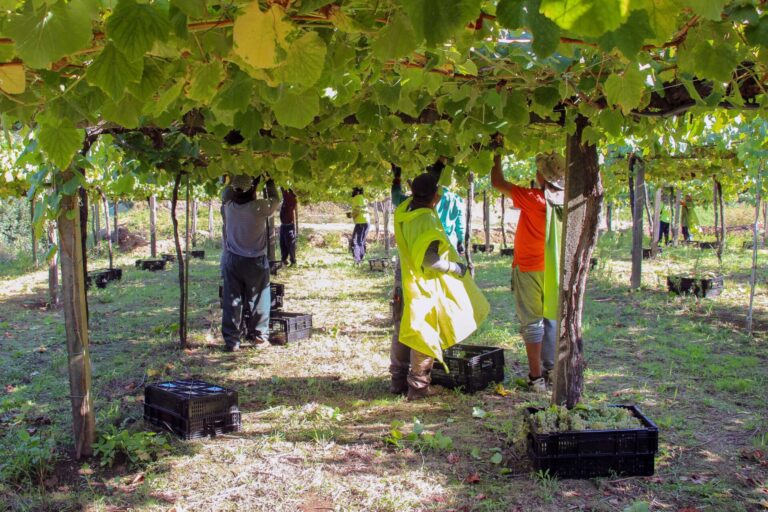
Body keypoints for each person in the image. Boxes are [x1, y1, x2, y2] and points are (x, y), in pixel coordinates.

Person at [391, 172, 489, 400]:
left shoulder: (404, 210)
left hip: (403, 279)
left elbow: (414, 191)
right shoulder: (427, 221)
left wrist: (438, 166)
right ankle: (418, 387)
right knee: (424, 332)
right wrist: (456, 268)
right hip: (421, 285)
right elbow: (430, 260)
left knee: (402, 330)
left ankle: (397, 382)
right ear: (435, 197)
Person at [490, 135, 564, 393]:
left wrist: (496, 152)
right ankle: (552, 371)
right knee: (553, 319)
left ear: (543, 177)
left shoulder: (534, 199)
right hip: (555, 270)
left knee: (533, 323)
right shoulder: (566, 203)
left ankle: (536, 379)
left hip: (529, 267)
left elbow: (497, 182)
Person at [220, 174, 280, 352]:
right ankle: (260, 339)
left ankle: (232, 342)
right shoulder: (259, 207)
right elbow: (275, 201)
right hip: (255, 261)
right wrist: (269, 182)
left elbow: (225, 195)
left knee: (232, 300)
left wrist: (230, 179)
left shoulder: (229, 207)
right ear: (253, 190)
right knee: (260, 298)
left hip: (233, 260)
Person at [392, 158, 466, 254]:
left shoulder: (412, 202)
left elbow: (396, 198)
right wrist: (460, 241)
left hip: (416, 249)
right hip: (447, 245)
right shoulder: (454, 199)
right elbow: (460, 226)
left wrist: (397, 178)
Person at [349, 187, 370, 264]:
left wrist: (351, 215)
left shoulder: (357, 198)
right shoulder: (363, 199)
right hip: (366, 222)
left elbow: (357, 210)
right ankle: (361, 259)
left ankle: (357, 261)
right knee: (361, 241)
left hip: (361, 222)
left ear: (357, 192)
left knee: (356, 242)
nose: (352, 193)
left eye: (353, 191)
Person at [279, 188, 298, 266]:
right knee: (283, 243)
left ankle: (293, 261)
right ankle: (284, 260)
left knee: (290, 244)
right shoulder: (287, 200)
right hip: (284, 226)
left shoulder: (291, 200)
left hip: (289, 226)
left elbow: (284, 192)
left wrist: (282, 185)